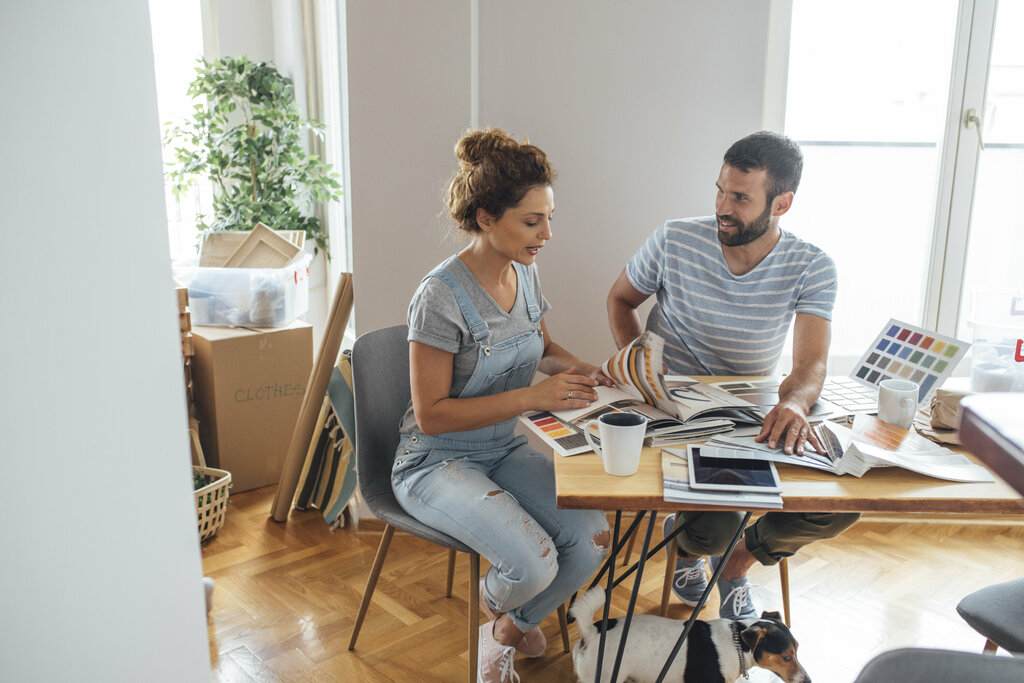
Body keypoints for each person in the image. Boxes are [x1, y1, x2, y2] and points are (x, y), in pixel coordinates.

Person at [606, 130, 859, 620]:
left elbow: (811, 363)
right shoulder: (675, 238)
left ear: (781, 203)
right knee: (712, 528)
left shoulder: (812, 266)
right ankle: (692, 547)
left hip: (748, 415)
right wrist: (638, 365)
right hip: (672, 409)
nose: (723, 205)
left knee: (842, 501)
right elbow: (620, 300)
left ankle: (737, 564)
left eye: (740, 197)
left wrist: (795, 402)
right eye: (720, 190)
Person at [393, 128, 612, 683]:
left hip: (499, 450)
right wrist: (533, 397)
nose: (547, 234)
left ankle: (505, 628)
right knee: (533, 563)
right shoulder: (439, 297)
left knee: (592, 541)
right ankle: (510, 614)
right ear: (486, 217)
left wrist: (588, 370)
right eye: (532, 221)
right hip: (434, 461)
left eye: (549, 217)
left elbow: (542, 349)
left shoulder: (525, 271)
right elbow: (432, 413)